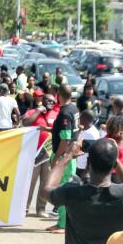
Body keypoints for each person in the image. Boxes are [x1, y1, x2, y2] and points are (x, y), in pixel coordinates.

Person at [42, 139, 123, 244]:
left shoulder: (72, 192)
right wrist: (115, 159)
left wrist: (68, 156)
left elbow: (45, 190)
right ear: (114, 165)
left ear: (88, 162)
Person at [47, 84, 80, 233]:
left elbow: (65, 139)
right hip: (70, 155)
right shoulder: (74, 109)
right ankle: (61, 222)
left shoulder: (65, 112)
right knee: (62, 188)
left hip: (64, 157)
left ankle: (63, 225)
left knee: (62, 190)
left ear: (58, 95)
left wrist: (57, 160)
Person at [23, 94, 59, 218]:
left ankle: (41, 209)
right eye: (48, 100)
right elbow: (25, 123)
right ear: (41, 101)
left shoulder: (56, 114)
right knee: (30, 182)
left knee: (45, 182)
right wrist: (38, 111)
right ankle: (25, 208)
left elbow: (59, 130)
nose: (50, 103)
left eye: (53, 102)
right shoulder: (33, 111)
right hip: (33, 153)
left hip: (48, 153)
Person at [76, 109, 100, 182]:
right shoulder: (84, 130)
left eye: (80, 117)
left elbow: (92, 155)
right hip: (78, 166)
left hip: (83, 169)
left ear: (85, 119)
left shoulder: (92, 135)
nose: (79, 118)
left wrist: (86, 171)